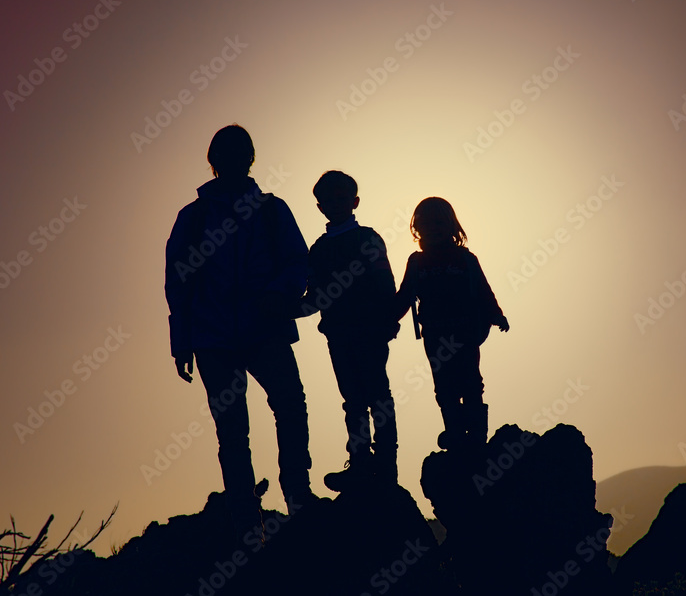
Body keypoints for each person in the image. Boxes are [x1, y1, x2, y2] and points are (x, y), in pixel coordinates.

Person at [164, 124, 317, 537]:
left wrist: (277, 293)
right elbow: (178, 282)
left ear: (249, 159)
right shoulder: (193, 218)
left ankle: (296, 493)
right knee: (234, 428)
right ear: (215, 163)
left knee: (288, 406)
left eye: (239, 154)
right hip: (214, 340)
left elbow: (297, 262)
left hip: (264, 332)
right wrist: (182, 340)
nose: (233, 162)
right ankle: (246, 518)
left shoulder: (272, 210)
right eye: (226, 155)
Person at [296, 171, 400, 492]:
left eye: (342, 198)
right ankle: (359, 463)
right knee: (353, 399)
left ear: (355, 202)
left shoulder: (368, 238)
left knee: (377, 395)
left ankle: (385, 464)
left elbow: (385, 282)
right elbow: (312, 297)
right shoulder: (317, 250)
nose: (337, 204)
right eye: (330, 200)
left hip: (370, 331)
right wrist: (280, 311)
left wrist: (389, 321)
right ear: (320, 207)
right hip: (338, 334)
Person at [394, 197, 508, 450]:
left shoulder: (466, 260)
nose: (433, 228)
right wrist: (386, 320)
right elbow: (405, 295)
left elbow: (483, 290)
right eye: (427, 224)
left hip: (466, 333)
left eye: (439, 223)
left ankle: (476, 436)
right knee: (444, 386)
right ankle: (455, 433)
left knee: (470, 382)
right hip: (435, 335)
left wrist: (496, 315)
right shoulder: (416, 263)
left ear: (451, 227)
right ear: (418, 229)